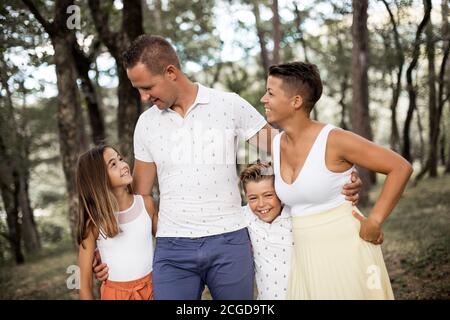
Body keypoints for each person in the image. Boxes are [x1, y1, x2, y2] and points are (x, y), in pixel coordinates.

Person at [93, 35, 362, 300]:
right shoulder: (147, 124)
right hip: (172, 248)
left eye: (147, 87)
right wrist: (110, 248)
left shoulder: (229, 105)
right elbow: (140, 197)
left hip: (230, 240)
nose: (143, 97)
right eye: (138, 89)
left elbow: (289, 149)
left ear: (171, 72)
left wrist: (337, 174)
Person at [261, 61, 413, 299]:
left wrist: (375, 219)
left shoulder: (334, 139)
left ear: (296, 101)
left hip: (347, 248)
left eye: (270, 93)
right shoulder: (277, 143)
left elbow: (400, 167)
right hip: (304, 256)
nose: (263, 99)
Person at [77, 145, 157, 300]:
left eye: (120, 159)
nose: (123, 165)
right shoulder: (94, 223)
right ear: (99, 178)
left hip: (153, 289)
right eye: (113, 164)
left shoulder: (146, 204)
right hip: (114, 295)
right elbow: (84, 285)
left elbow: (170, 242)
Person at [240, 161, 292, 300]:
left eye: (268, 195)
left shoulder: (296, 214)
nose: (261, 204)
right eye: (253, 198)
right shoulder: (243, 216)